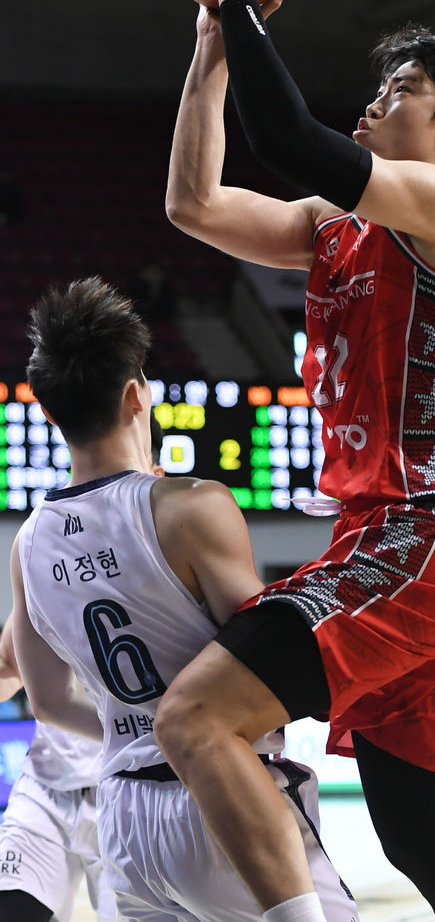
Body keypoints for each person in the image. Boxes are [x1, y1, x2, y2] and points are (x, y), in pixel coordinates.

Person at [159, 0, 435, 922]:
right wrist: (210, 43)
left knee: (195, 717)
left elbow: (291, 137)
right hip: (394, 539)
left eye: (402, 89)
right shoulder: (337, 221)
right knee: (419, 832)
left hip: (425, 537)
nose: (376, 98)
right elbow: (194, 202)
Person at [9, 277, 357, 922]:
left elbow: (50, 702)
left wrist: (134, 731)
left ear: (48, 411)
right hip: (220, 797)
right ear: (137, 395)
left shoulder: (28, 542)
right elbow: (271, 652)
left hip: (122, 821)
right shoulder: (193, 506)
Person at [0, 416, 165, 922]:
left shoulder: (171, 549)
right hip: (50, 784)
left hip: (135, 791)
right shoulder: (47, 546)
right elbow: (9, 665)